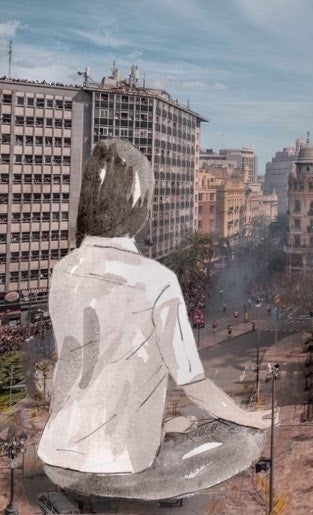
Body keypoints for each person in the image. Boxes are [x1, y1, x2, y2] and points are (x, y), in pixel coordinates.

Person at [38, 140, 270, 502]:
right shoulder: (155, 279)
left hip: (56, 456)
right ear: (140, 207)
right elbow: (193, 382)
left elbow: (81, 369)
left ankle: (158, 435)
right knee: (245, 439)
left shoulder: (64, 272)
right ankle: (159, 445)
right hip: (125, 467)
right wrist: (247, 417)